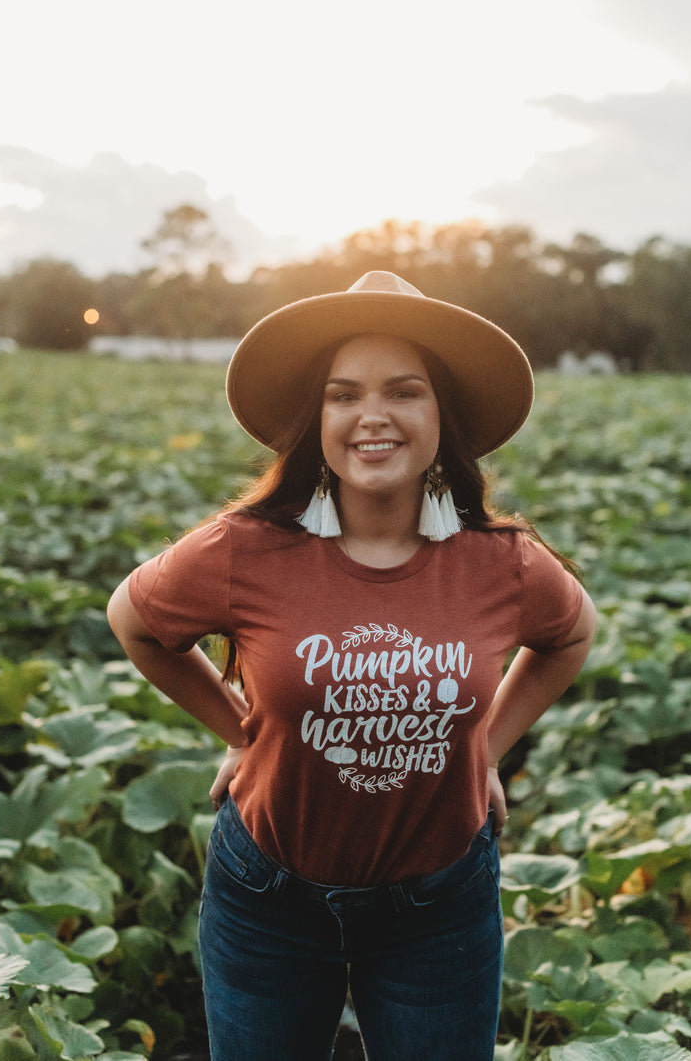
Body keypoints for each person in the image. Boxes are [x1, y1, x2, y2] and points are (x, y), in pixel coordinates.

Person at [107, 270, 597, 1061]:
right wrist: (242, 728)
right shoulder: (244, 549)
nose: (372, 416)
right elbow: (134, 623)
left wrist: (484, 747)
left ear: (443, 417)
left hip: (438, 906)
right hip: (268, 898)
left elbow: (572, 636)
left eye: (404, 391)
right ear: (317, 418)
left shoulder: (500, 561)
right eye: (343, 395)